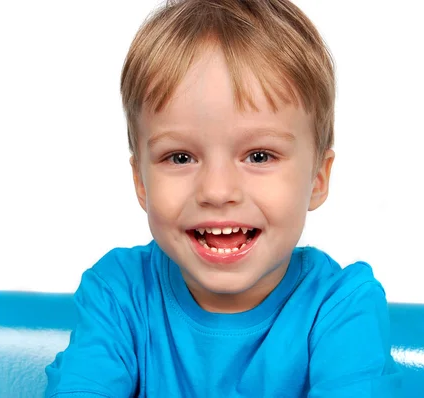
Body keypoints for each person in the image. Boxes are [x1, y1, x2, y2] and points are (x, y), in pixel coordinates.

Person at [45, 0, 401, 396]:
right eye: (180, 157)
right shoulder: (119, 294)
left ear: (318, 178)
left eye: (259, 156)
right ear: (141, 181)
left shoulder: (341, 308)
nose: (216, 191)